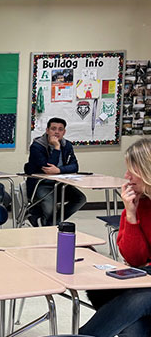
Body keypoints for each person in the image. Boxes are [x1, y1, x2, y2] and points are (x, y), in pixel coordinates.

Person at [79, 138, 151, 337]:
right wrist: (131, 214)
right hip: (145, 276)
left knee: (140, 298)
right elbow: (134, 258)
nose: (126, 176)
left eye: (132, 170)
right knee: (100, 289)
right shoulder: (139, 203)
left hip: (146, 282)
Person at [24, 117, 86, 226]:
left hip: (61, 184)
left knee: (80, 199)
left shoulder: (67, 145)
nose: (57, 132)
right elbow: (48, 168)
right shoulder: (37, 146)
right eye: (53, 128)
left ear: (64, 132)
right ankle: (42, 219)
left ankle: (50, 223)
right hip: (41, 184)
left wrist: (59, 170)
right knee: (49, 209)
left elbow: (75, 166)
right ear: (47, 130)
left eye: (60, 129)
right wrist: (57, 148)